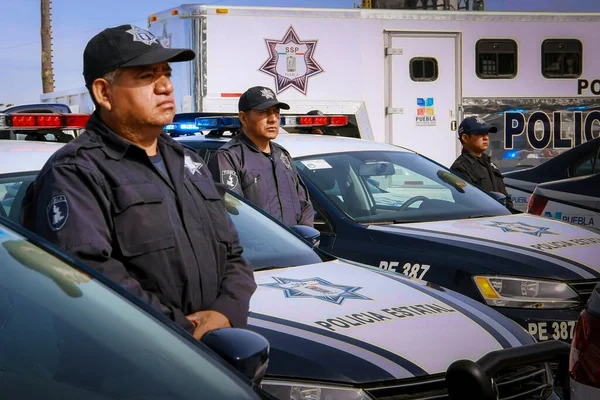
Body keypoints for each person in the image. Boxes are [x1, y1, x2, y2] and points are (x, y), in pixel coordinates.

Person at [20, 24, 256, 340]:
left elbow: (234, 254)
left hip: (214, 356)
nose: (166, 87)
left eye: (167, 74)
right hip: (134, 367)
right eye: (146, 77)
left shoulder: (189, 162)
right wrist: (186, 333)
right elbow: (90, 279)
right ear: (104, 93)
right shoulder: (76, 172)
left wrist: (227, 312)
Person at [208, 86, 314, 227]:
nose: (272, 119)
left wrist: (303, 238)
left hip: (294, 247)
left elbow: (305, 204)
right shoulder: (229, 158)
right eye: (263, 112)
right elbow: (233, 213)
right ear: (243, 118)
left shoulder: (283, 156)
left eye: (276, 112)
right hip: (257, 248)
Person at [450, 116, 514, 208]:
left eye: (487, 133)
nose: (486, 138)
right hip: (480, 220)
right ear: (465, 138)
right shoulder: (460, 168)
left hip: (500, 218)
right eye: (480, 134)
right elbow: (467, 203)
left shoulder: (489, 163)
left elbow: (505, 197)